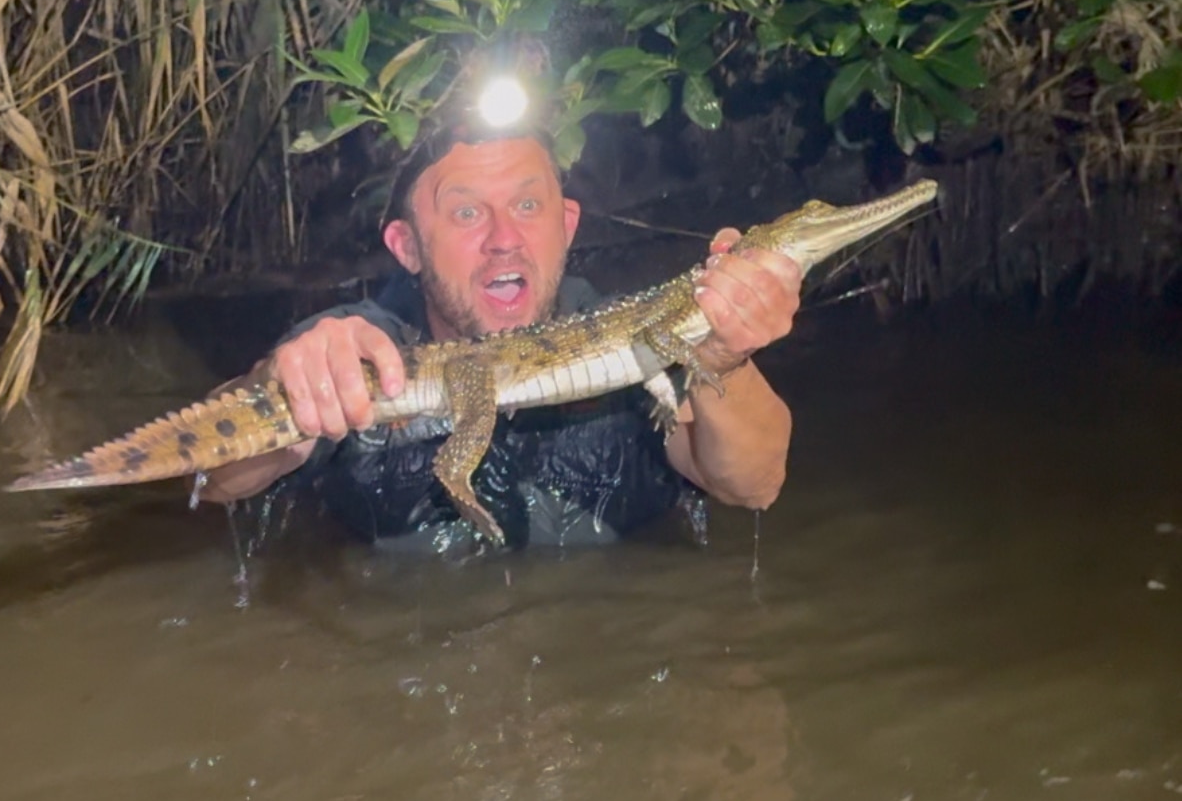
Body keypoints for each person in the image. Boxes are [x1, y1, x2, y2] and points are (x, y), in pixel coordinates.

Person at [199, 119, 802, 551]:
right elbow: (217, 481)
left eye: (528, 206)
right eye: (466, 212)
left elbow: (755, 486)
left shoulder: (628, 334)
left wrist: (724, 355)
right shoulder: (362, 346)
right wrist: (285, 386)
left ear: (567, 224)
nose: (504, 238)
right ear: (407, 247)